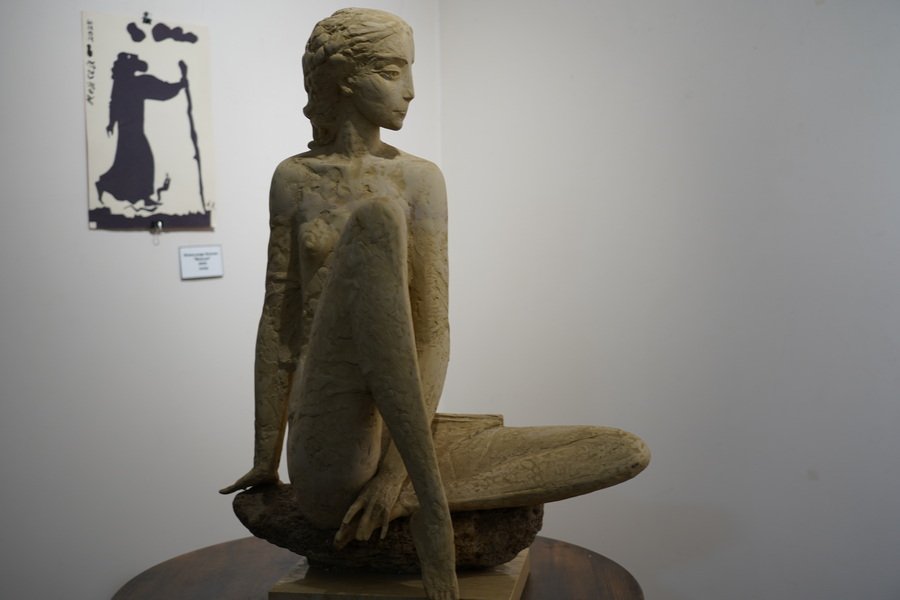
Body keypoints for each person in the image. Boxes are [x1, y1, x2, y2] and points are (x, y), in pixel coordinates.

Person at [220, 9, 649, 600]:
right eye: (392, 71)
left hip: (401, 433)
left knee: (623, 451)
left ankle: (416, 488)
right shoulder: (295, 179)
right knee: (377, 220)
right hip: (331, 427)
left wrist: (392, 477)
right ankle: (426, 495)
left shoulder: (421, 180)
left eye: (410, 71)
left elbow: (432, 331)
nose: (411, 90)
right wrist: (265, 455)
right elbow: (279, 320)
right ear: (343, 79)